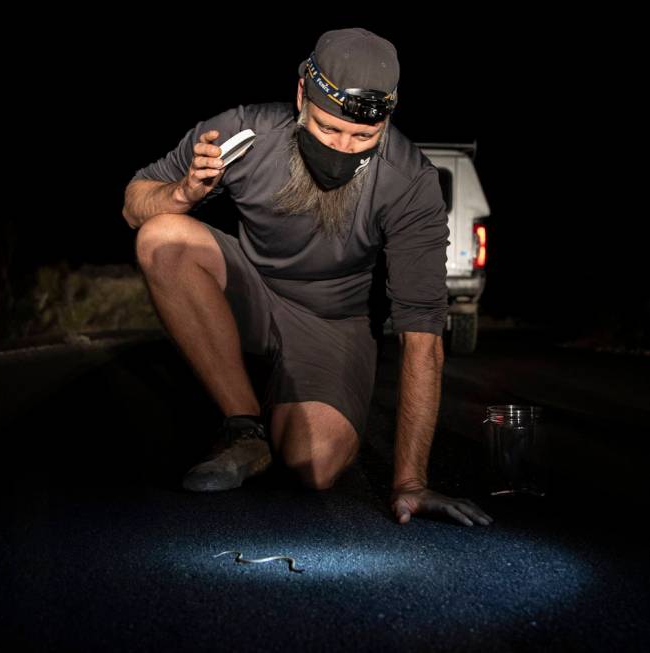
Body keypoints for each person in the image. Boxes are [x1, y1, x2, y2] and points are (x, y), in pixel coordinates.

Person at [123, 27, 493, 527]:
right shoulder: (242, 131)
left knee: (313, 466)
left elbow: (422, 338)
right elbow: (133, 205)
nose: (342, 149)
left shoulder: (411, 184)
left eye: (363, 136)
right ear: (302, 95)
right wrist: (184, 192)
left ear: (387, 119)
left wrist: (409, 480)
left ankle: (286, 397)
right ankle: (243, 425)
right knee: (161, 236)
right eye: (327, 129)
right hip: (252, 291)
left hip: (333, 322)